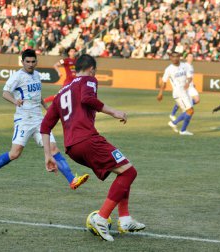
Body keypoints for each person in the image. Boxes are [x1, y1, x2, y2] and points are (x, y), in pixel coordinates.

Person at [40, 54, 145, 242]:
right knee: (129, 173)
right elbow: (88, 98)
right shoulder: (89, 79)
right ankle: (101, 218)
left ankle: (125, 218)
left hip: (72, 148)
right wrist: (114, 112)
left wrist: (48, 155)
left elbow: (45, 126)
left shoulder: (62, 91)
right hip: (87, 140)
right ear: (91, 69)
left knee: (123, 169)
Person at [0, 49, 89, 190]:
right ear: (23, 62)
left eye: (33, 61)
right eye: (27, 62)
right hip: (23, 119)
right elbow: (5, 93)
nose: (30, 64)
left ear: (36, 61)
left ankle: (72, 179)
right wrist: (15, 101)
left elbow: (37, 94)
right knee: (14, 153)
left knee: (53, 148)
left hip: (39, 119)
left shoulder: (37, 75)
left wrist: (46, 107)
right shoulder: (17, 76)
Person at [157, 51, 194, 136]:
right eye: (173, 57)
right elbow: (164, 82)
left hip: (186, 91)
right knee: (190, 111)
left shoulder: (185, 66)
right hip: (178, 93)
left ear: (179, 57)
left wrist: (188, 82)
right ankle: (179, 127)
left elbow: (189, 77)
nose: (175, 58)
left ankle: (178, 126)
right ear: (170, 58)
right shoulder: (169, 69)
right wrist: (160, 93)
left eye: (176, 56)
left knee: (190, 111)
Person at [169, 53, 200, 122]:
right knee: (194, 100)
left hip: (190, 85)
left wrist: (192, 83)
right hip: (186, 86)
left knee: (197, 100)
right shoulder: (185, 65)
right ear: (186, 58)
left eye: (192, 56)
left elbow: (190, 76)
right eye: (189, 56)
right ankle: (173, 114)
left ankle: (176, 112)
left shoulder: (191, 66)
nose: (191, 57)